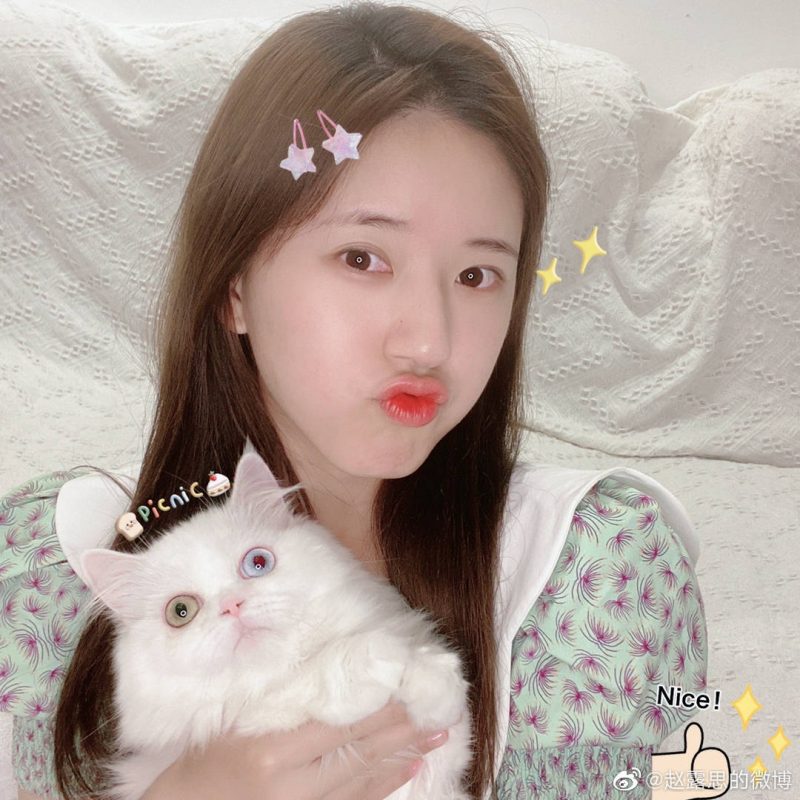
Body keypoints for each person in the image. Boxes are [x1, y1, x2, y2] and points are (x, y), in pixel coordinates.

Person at [1, 3, 728, 799]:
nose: (428, 341)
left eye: (477, 275)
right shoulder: (51, 574)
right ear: (234, 287)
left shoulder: (595, 573)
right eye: (362, 257)